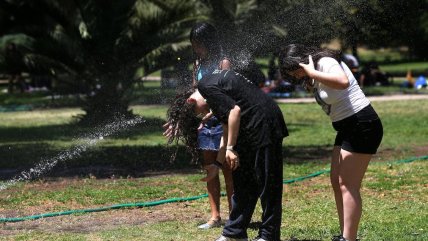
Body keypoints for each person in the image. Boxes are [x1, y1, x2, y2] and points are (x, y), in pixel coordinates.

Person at [166, 69, 288, 241]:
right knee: (243, 180)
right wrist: (217, 163)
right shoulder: (212, 90)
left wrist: (230, 148)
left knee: (268, 184)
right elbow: (226, 127)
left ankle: (269, 235)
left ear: (191, 100)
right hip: (249, 127)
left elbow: (235, 111)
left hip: (265, 123)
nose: (201, 114)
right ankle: (235, 233)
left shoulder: (206, 86)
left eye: (196, 112)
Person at [279, 44, 383, 241]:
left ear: (302, 61)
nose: (297, 76)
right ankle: (345, 234)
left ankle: (349, 239)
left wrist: (312, 73)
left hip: (362, 124)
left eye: (296, 71)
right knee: (336, 180)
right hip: (346, 126)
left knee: (348, 184)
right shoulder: (314, 72)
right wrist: (311, 77)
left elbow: (342, 82)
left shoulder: (325, 63)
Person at [164, 22, 234, 229]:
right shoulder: (198, 64)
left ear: (209, 42)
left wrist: (211, 113)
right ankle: (215, 217)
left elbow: (227, 96)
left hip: (221, 121)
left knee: (228, 170)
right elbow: (196, 91)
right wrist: (184, 116)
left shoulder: (223, 63)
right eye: (193, 44)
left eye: (199, 44)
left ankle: (234, 216)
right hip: (204, 124)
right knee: (209, 169)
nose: (196, 48)